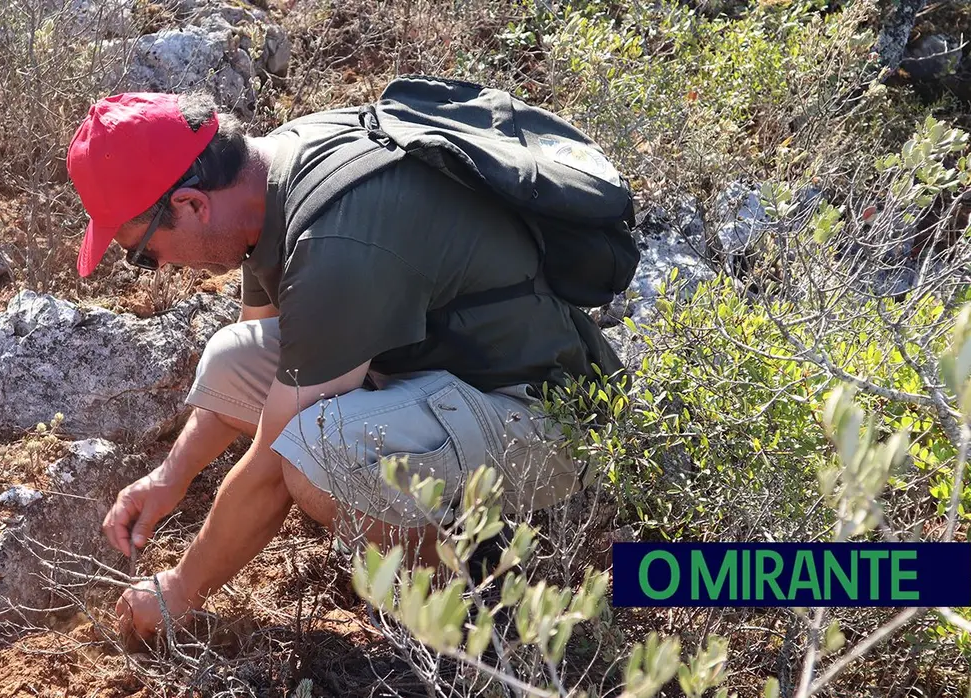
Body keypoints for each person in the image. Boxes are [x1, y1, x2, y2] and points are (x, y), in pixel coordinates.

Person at [65, 89, 624, 645]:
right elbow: (265, 358)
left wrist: (181, 589)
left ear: (191, 204)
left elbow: (272, 460)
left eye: (142, 250)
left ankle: (474, 604)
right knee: (234, 354)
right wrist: (171, 477)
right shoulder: (270, 178)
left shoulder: (335, 242)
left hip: (548, 418)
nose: (150, 267)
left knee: (317, 452)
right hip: (447, 370)